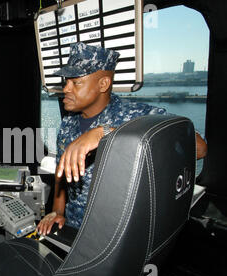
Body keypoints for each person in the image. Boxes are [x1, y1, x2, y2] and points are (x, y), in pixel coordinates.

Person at [37, 42, 207, 236]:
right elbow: (62, 173)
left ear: (103, 84)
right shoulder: (68, 123)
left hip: (119, 235)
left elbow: (199, 148)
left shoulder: (139, 115)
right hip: (74, 228)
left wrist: (106, 132)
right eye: (66, 81)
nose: (66, 89)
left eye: (76, 83)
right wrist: (57, 211)